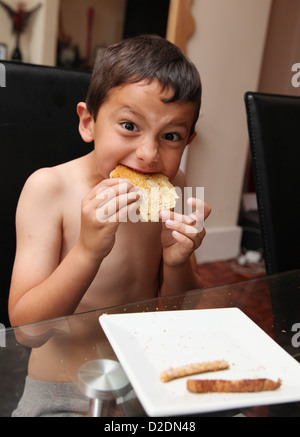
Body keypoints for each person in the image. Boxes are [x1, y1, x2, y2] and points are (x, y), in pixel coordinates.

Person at [9, 34, 211, 328]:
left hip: (142, 364)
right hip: (62, 373)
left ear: (188, 141)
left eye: (171, 136)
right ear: (88, 122)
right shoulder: (49, 188)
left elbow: (178, 313)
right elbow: (27, 331)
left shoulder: (175, 184)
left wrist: (176, 262)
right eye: (130, 126)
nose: (149, 154)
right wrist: (87, 252)